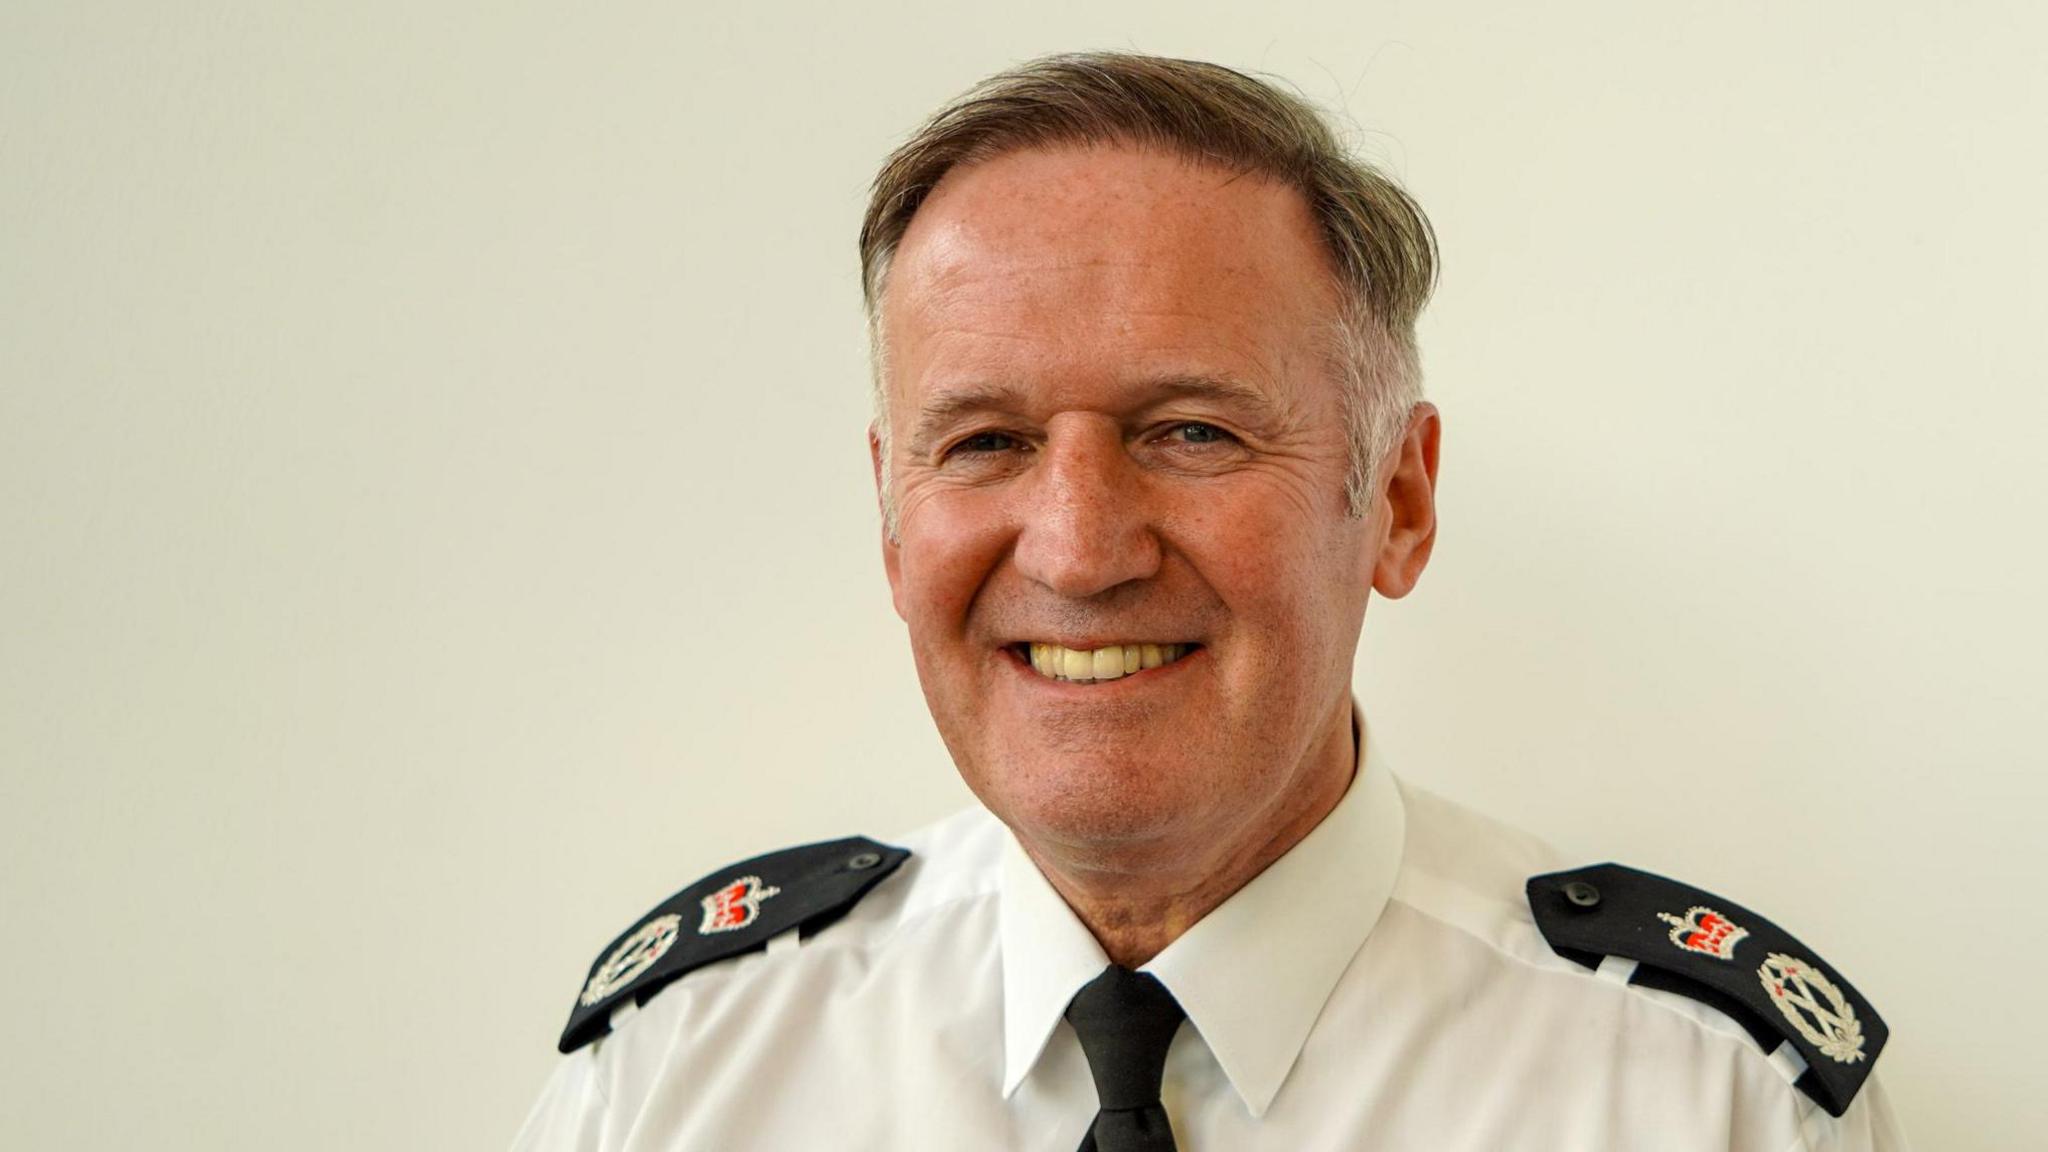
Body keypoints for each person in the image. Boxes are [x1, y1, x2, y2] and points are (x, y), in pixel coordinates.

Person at [511, 52, 1907, 1150]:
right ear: (892, 518)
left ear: (1399, 502)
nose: (1075, 549)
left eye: (1192, 433)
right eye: (985, 443)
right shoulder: (680, 1075)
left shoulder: (1701, 1102)